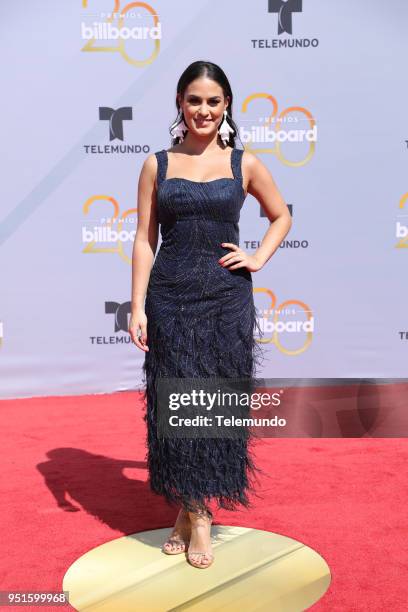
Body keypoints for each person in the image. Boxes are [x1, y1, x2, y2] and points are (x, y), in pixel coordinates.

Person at [129, 60, 291, 569]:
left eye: (213, 101)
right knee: (177, 404)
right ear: (181, 102)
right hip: (171, 297)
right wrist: (136, 305)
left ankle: (195, 513)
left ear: (227, 107)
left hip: (225, 299)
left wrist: (258, 257)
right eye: (194, 100)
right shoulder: (158, 163)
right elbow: (143, 238)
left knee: (213, 403)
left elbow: (281, 214)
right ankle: (194, 509)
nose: (203, 110)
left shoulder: (244, 163)